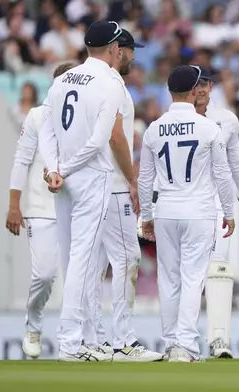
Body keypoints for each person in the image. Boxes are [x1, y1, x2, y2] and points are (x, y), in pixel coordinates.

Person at [39, 20, 135, 362]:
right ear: (113, 49)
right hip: (91, 176)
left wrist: (54, 169)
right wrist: (61, 169)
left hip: (63, 180)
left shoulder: (62, 79)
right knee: (84, 260)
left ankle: (80, 340)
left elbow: (46, 131)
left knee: (72, 259)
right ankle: (72, 343)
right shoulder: (110, 82)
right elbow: (99, 142)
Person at [138, 65, 236, 362]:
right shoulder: (209, 128)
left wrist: (146, 215)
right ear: (195, 92)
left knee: (169, 279)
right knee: (193, 278)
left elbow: (144, 179)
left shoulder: (154, 128)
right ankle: (187, 345)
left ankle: (170, 343)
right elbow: (223, 175)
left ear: (170, 92)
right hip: (199, 211)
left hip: (166, 210)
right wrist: (229, 212)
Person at [84, 29, 164, 362]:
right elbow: (117, 137)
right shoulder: (114, 84)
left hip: (89, 185)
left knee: (92, 264)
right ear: (118, 50)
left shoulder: (85, 83)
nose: (133, 57)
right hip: (113, 184)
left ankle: (93, 339)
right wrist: (132, 180)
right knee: (128, 259)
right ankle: (123, 341)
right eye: (130, 51)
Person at [192, 67, 239, 359]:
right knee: (183, 274)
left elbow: (238, 167)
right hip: (182, 201)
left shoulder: (226, 120)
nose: (199, 89)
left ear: (211, 87)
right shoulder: (169, 121)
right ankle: (177, 339)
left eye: (204, 84)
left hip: (217, 201)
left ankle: (219, 340)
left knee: (218, 267)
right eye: (194, 84)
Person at [5, 62, 76, 359]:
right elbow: (21, 160)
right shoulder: (37, 116)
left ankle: (75, 338)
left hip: (76, 207)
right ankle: (33, 325)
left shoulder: (84, 117)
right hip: (41, 206)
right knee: (46, 275)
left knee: (78, 278)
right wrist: (13, 205)